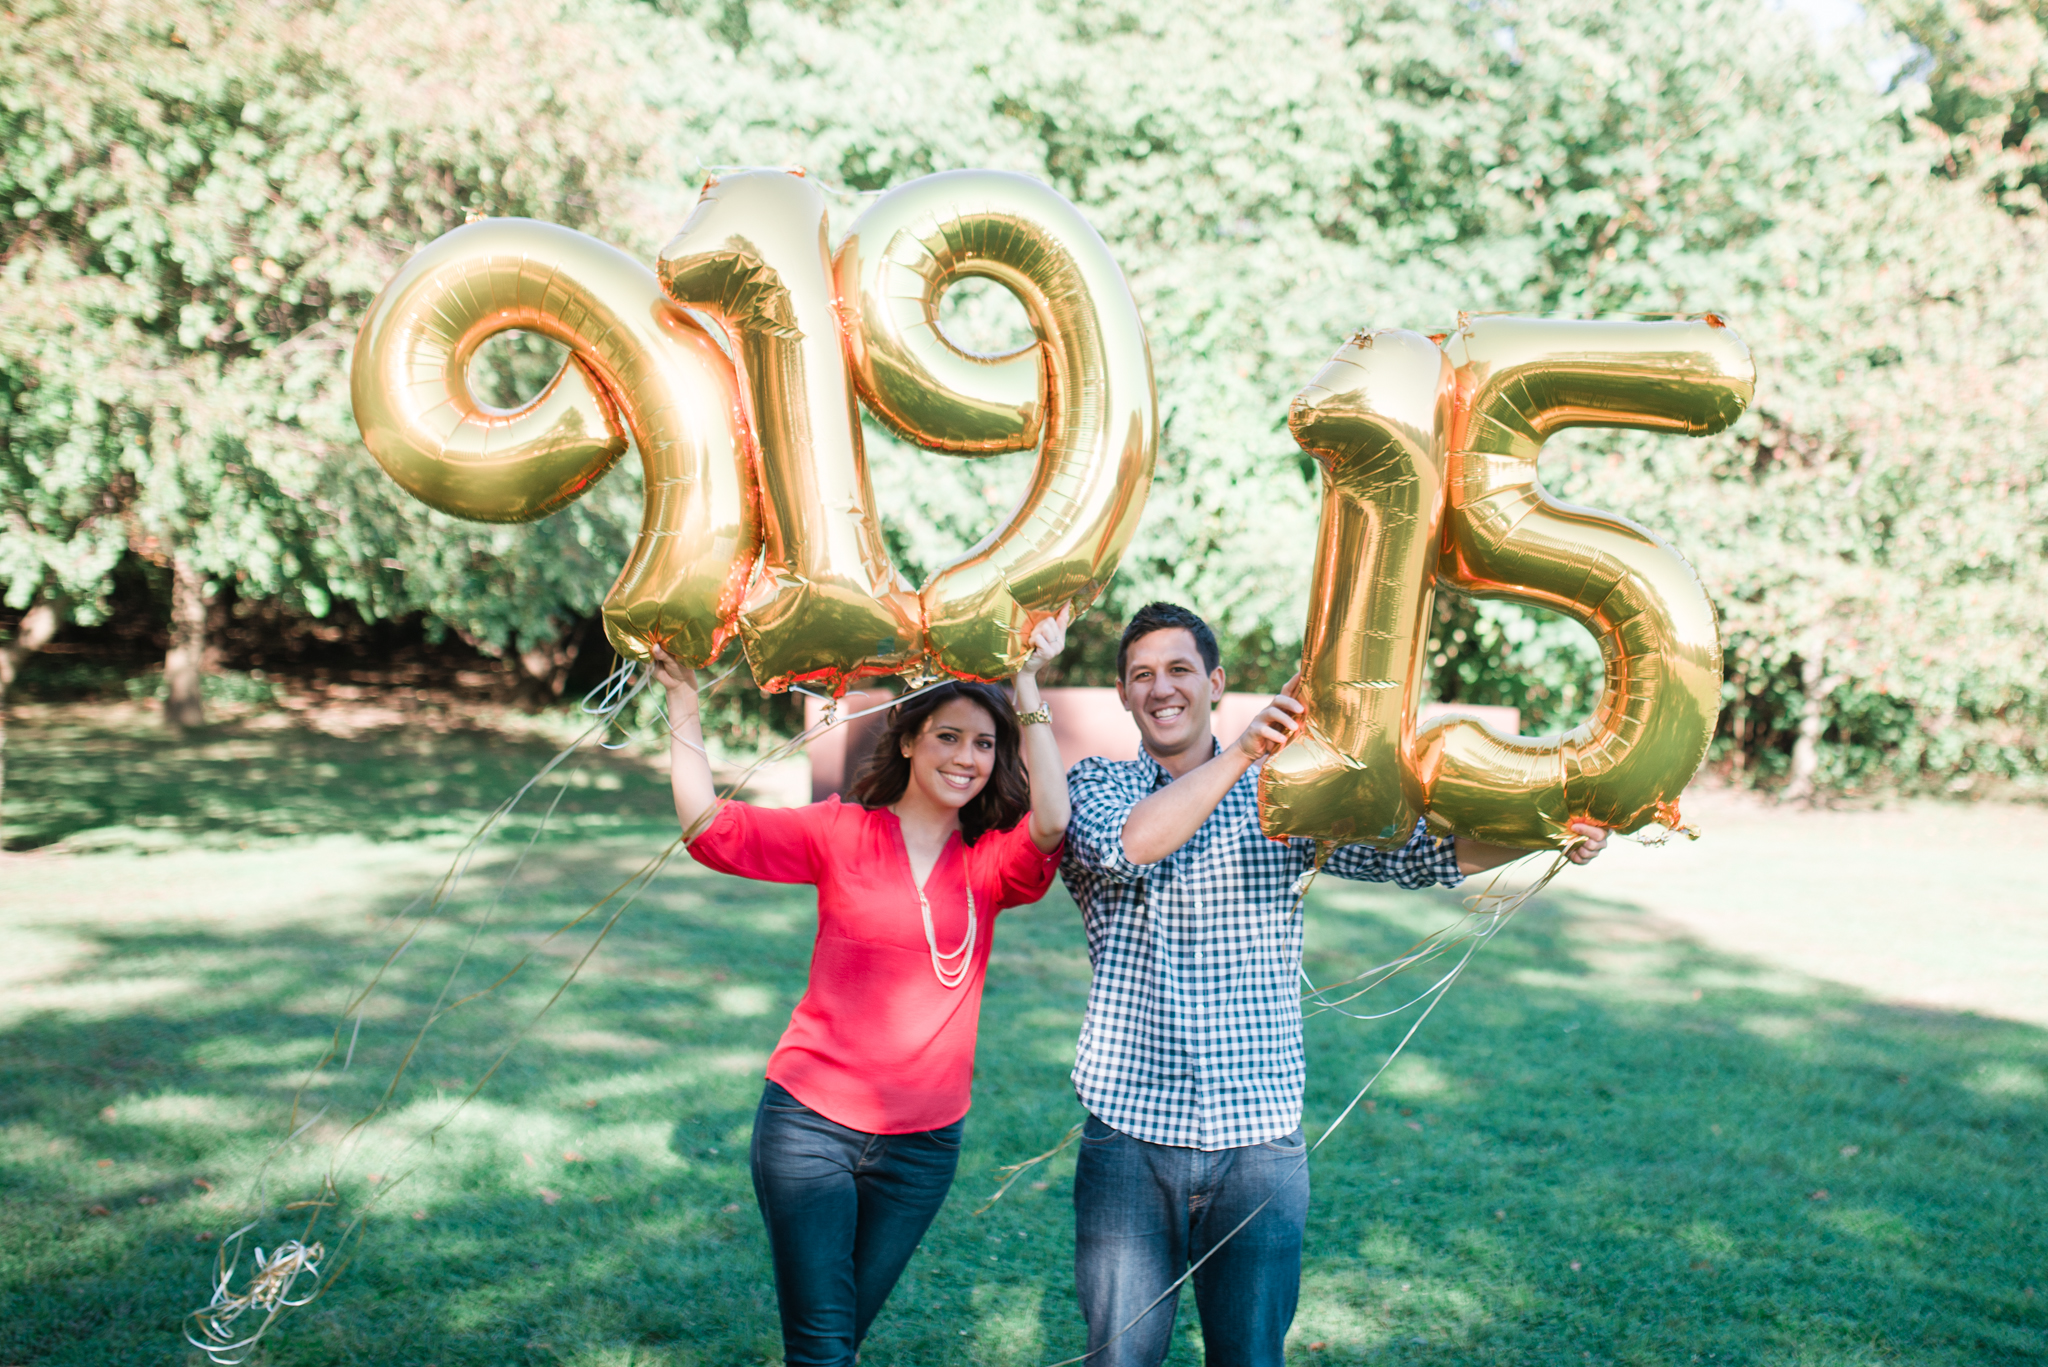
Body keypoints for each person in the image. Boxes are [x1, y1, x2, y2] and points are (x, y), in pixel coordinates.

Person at [1059, 602, 1608, 1367]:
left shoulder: (1282, 797)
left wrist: (1549, 829)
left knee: (1250, 1358)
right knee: (1118, 1360)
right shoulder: (1098, 785)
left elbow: (1415, 854)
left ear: (1214, 681)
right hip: (1130, 1137)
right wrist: (1247, 749)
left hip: (1258, 1144)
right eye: (1142, 675)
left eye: (1180, 669)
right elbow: (1131, 847)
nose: (1162, 688)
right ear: (1122, 695)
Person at [647, 614, 1072, 1367]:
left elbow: (1052, 819)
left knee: (837, 1339)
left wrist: (1028, 684)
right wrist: (683, 703)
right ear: (909, 739)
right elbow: (710, 829)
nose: (967, 757)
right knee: (822, 1349)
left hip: (923, 1148)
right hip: (809, 1127)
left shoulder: (990, 864)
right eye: (948, 735)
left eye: (984, 743)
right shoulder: (840, 831)